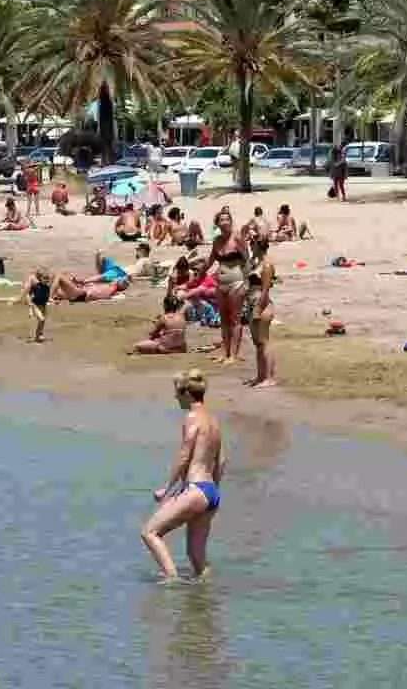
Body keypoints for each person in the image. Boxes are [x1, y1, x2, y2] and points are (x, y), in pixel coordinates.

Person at [140, 370, 225, 581]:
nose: (175, 398)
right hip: (211, 492)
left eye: (177, 393)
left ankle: (171, 583)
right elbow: (222, 460)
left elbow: (185, 453)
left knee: (150, 533)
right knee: (197, 559)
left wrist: (167, 487)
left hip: (196, 489)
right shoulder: (214, 421)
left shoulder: (192, 417)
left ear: (187, 393)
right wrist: (212, 489)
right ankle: (206, 598)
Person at [202, 208, 248, 366]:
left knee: (235, 319)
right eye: (221, 220)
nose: (225, 222)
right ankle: (225, 352)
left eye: (227, 219)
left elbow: (246, 259)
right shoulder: (217, 241)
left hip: (236, 281)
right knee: (224, 319)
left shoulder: (237, 238)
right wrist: (199, 275)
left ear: (231, 221)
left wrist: (247, 282)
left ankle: (234, 354)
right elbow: (210, 261)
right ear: (217, 224)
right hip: (220, 283)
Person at [245, 235, 278, 387]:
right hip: (253, 303)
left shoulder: (266, 265)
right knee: (258, 343)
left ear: (258, 246)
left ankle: (270, 378)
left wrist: (257, 309)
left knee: (264, 341)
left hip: (262, 305)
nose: (250, 246)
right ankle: (260, 376)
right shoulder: (254, 263)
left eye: (252, 244)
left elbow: (265, 290)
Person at [25, 267, 53, 343]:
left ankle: (40, 334)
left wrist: (50, 300)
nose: (47, 280)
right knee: (41, 319)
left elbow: (46, 296)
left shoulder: (47, 287)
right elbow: (28, 294)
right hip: (35, 305)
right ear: (40, 278)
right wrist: (30, 309)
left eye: (48, 278)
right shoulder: (36, 286)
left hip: (43, 305)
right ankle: (37, 336)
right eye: (45, 278)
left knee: (43, 321)